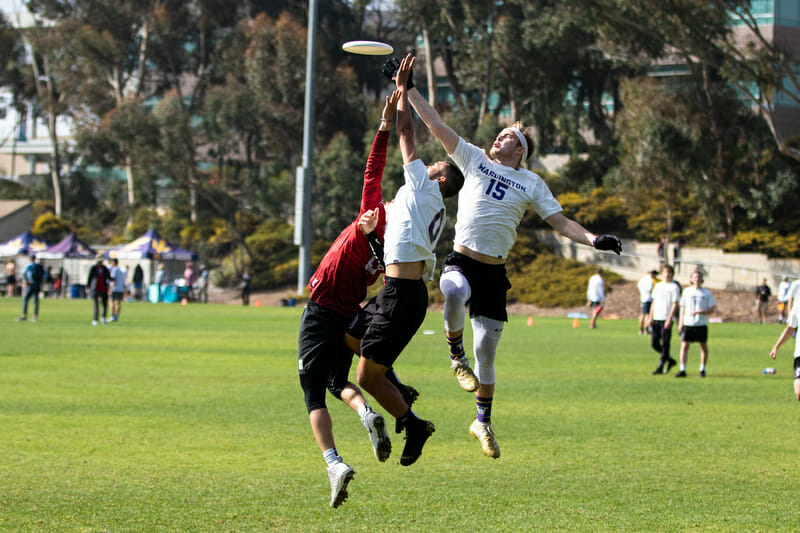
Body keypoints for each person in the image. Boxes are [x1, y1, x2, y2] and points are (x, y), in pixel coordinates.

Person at [390, 52, 622, 458]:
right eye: (499, 134)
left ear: (522, 150)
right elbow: (435, 124)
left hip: (494, 275)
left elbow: (563, 224)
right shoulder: (474, 159)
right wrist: (408, 90)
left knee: (489, 358)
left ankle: (482, 421)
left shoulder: (531, 181)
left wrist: (596, 239)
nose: (500, 138)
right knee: (454, 290)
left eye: (509, 138)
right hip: (461, 260)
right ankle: (454, 354)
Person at [299, 89, 417, 508]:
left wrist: (385, 123)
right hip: (349, 312)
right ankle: (368, 411)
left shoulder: (374, 217)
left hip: (322, 306)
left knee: (312, 390)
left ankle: (333, 462)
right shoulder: (397, 240)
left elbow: (372, 168)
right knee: (338, 380)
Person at [356, 56, 464, 468]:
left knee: (366, 378)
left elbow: (405, 131)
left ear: (438, 178)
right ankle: (400, 389)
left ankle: (412, 422)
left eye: (434, 163)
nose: (425, 163)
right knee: (349, 334)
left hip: (402, 295)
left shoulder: (423, 186)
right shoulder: (426, 200)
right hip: (397, 291)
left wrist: (403, 90)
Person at [675, 270, 716, 378]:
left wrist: (702, 311)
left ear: (702, 279)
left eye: (698, 277)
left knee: (703, 346)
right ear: (691, 279)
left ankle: (702, 369)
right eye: (695, 277)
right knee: (684, 346)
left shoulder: (707, 293)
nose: (697, 279)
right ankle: (682, 369)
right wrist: (680, 323)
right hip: (688, 323)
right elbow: (682, 307)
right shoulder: (687, 292)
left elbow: (712, 308)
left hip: (701, 324)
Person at [648, 264, 681, 375]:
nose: (667, 274)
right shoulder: (658, 286)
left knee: (666, 343)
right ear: (662, 274)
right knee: (654, 343)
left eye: (669, 272)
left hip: (666, 319)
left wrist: (669, 319)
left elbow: (675, 304)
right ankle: (670, 360)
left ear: (672, 274)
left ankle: (661, 366)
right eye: (665, 272)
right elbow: (654, 302)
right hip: (657, 317)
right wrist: (650, 317)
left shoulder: (674, 287)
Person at [768, 301, 800, 401]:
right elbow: (790, 330)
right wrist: (776, 347)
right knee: (799, 392)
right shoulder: (797, 308)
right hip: (799, 354)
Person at [17, 254, 44, 322]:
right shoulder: (39, 266)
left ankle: (24, 315)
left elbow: (24, 273)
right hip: (37, 284)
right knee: (36, 300)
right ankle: (34, 316)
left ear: (30, 259)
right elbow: (45, 274)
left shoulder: (30, 265)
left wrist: (27, 281)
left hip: (31, 284)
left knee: (26, 298)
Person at [87, 256, 111, 325]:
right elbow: (90, 278)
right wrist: (88, 287)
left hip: (104, 288)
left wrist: (112, 280)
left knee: (104, 304)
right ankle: (95, 319)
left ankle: (103, 317)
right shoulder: (94, 268)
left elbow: (108, 277)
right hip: (95, 288)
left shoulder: (104, 268)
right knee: (96, 304)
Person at [637, 270, 658, 335]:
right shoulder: (650, 280)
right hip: (648, 299)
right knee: (647, 315)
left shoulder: (642, 279)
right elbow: (650, 289)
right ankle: (646, 329)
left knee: (642, 314)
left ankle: (640, 329)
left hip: (643, 298)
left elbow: (638, 286)